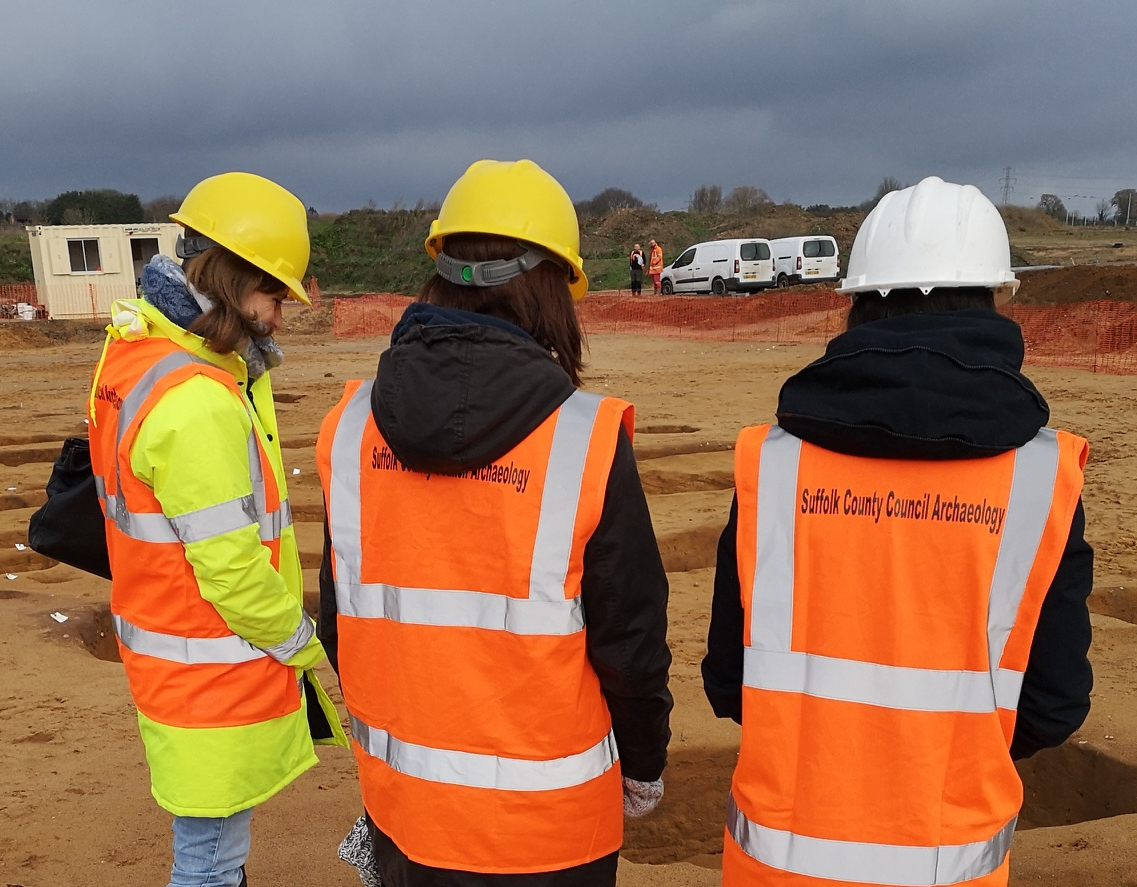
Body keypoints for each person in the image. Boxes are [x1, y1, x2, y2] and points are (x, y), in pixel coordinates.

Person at [702, 176, 1092, 886]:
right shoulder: (1039, 479)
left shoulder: (773, 466)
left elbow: (730, 684)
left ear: (856, 305)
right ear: (996, 302)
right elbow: (1054, 704)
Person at [316, 158, 673, 887]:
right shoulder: (584, 438)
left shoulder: (351, 428)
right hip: (550, 835)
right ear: (552, 289)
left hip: (405, 816)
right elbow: (629, 643)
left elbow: (338, 618)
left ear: (438, 271)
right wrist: (641, 762)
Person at [87, 171, 348, 887]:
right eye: (273, 296)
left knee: (210, 852)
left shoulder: (136, 352)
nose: (280, 317)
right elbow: (230, 568)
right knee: (207, 864)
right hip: (211, 670)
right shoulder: (196, 402)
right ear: (232, 281)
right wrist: (299, 641)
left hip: (169, 650)